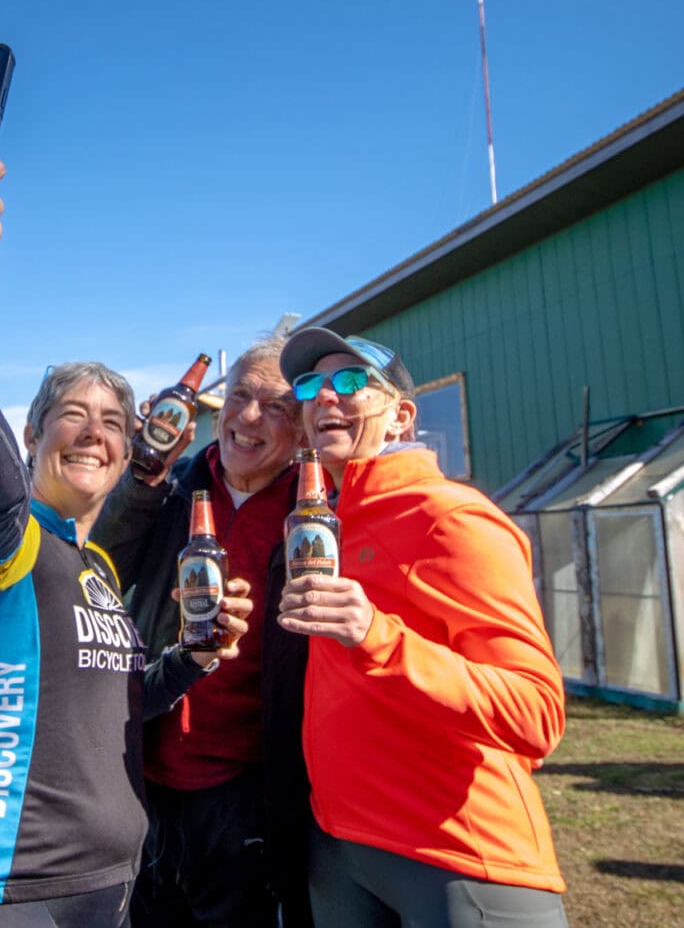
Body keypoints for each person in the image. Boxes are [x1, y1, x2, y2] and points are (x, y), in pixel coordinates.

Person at [0, 138, 255, 927]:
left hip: (109, 884)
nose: (94, 434)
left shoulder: (98, 566)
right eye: (72, 415)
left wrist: (195, 659)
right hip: (1, 890)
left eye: (113, 422)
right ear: (33, 433)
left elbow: (119, 704)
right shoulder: (3, 540)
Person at [277, 328, 568, 928]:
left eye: (352, 382)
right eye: (311, 384)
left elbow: (537, 714)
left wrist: (378, 636)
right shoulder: (320, 521)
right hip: (339, 849)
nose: (326, 396)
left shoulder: (451, 517)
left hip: (455, 858)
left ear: (400, 417)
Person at [91, 336, 314, 927]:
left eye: (276, 407)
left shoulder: (316, 512)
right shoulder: (171, 486)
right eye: (240, 395)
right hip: (139, 765)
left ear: (302, 429)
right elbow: (99, 563)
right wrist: (142, 480)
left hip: (246, 787)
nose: (248, 417)